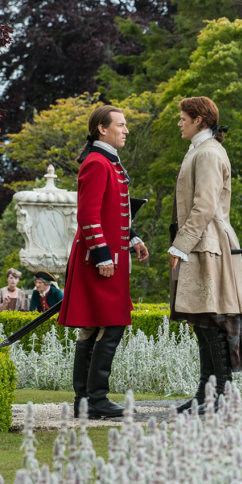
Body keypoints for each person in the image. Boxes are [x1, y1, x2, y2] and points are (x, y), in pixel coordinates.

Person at [58, 105, 150, 419]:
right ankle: (94, 400)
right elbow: (88, 215)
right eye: (121, 125)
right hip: (100, 261)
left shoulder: (107, 161)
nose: (126, 130)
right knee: (108, 326)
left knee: (97, 327)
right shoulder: (97, 163)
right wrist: (102, 256)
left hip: (108, 257)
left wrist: (132, 237)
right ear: (103, 128)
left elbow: (113, 210)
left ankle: (86, 402)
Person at [168, 96, 242, 415]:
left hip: (209, 244)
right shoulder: (200, 151)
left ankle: (220, 394)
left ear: (199, 120)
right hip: (203, 243)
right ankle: (205, 393)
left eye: (183, 118)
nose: (179, 123)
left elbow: (204, 206)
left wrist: (181, 243)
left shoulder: (208, 153)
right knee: (203, 322)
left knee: (214, 321)